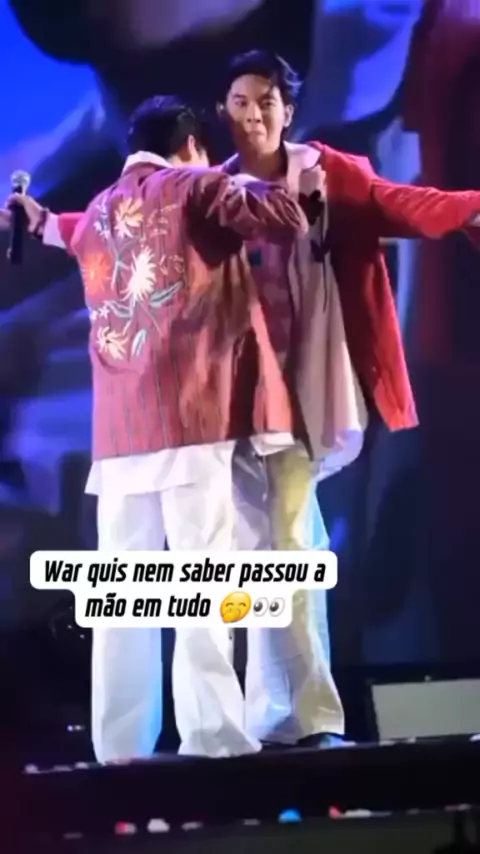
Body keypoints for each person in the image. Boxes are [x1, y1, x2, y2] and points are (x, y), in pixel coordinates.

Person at [5, 94, 322, 762]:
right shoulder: (197, 186)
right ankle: (212, 737)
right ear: (189, 144)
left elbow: (69, 233)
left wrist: (39, 221)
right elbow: (287, 220)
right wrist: (267, 170)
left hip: (120, 435)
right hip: (190, 419)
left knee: (126, 597)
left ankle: (120, 749)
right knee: (203, 584)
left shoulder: (101, 210)